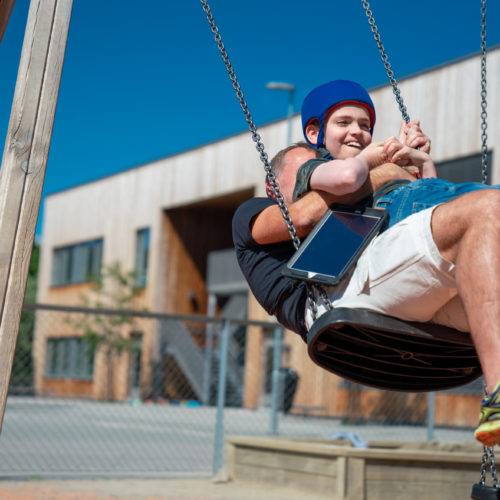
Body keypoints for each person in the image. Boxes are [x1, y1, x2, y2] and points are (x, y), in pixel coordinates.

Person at [232, 79, 500, 447]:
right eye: (307, 176)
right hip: (334, 299)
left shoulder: (356, 203)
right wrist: (388, 167)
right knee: (485, 209)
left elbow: (421, 215)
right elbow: (304, 217)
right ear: (273, 185)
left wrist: (417, 165)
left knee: (483, 239)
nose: (317, 182)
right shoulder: (254, 214)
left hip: (401, 292)